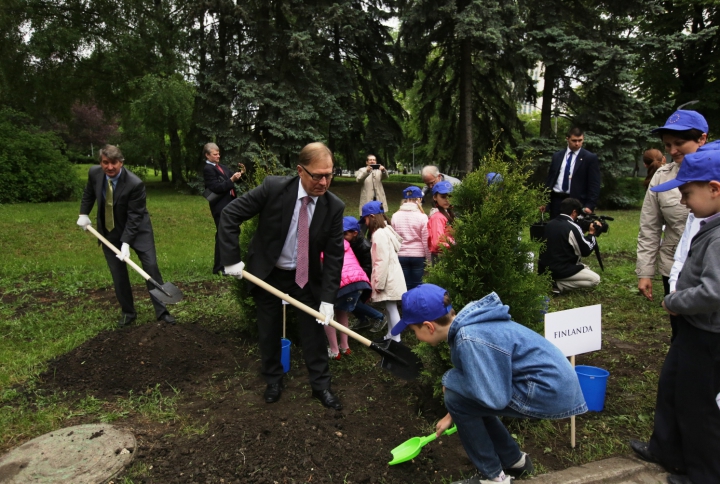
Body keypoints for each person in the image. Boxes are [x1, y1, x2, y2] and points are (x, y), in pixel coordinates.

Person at [391, 284, 587, 484]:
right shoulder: (470, 328)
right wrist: (451, 415)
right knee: (461, 398)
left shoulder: (469, 339)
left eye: (413, 330)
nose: (415, 337)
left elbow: (494, 398)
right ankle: (514, 461)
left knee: (455, 396)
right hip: (552, 384)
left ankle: (493, 477)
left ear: (429, 326)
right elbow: (479, 390)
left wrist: (449, 380)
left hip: (548, 389)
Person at [218, 142, 344, 410]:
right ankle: (273, 379)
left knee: (314, 331)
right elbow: (230, 214)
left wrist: (329, 299)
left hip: (305, 277)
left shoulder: (333, 206)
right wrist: (230, 259)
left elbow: (334, 255)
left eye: (329, 175)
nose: (324, 182)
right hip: (269, 274)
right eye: (317, 175)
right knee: (269, 329)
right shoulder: (274, 189)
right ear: (300, 171)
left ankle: (321, 386)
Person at [630, 150, 720, 484]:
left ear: (714, 188)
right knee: (674, 387)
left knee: (701, 408)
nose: (683, 203)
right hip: (693, 330)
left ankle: (704, 476)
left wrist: (676, 301)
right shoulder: (711, 223)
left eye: (687, 194)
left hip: (709, 335)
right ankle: (668, 450)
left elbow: (715, 291)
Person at [77, 145, 175, 327]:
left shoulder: (134, 183)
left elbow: (135, 216)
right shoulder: (94, 173)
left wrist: (126, 243)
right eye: (105, 163)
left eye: (114, 163)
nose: (110, 167)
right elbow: (89, 193)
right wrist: (84, 214)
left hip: (138, 231)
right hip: (109, 231)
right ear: (101, 163)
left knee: (150, 267)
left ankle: (162, 313)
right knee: (118, 274)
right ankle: (128, 313)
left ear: (121, 162)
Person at [636, 110, 708, 308]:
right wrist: (645, 272)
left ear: (702, 139)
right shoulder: (662, 177)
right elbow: (650, 227)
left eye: (679, 143)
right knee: (680, 330)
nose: (672, 151)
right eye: (668, 145)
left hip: (710, 271)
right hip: (674, 269)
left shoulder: (715, 173)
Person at [361, 201, 407, 342]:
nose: (365, 222)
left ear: (372, 217)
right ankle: (390, 335)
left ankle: (396, 339)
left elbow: (381, 261)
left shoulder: (379, 235)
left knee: (392, 308)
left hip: (387, 278)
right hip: (392, 275)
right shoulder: (386, 230)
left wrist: (379, 283)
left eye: (365, 219)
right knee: (389, 307)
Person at [323, 234, 372, 360]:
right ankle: (345, 347)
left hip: (338, 282)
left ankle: (334, 351)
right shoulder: (344, 243)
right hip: (356, 281)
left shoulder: (321, 245)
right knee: (342, 311)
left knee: (326, 315)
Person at [538, 197, 600, 294]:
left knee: (585, 268)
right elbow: (586, 250)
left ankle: (549, 281)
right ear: (574, 212)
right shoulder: (572, 226)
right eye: (578, 213)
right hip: (560, 269)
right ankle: (558, 285)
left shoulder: (550, 224)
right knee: (595, 279)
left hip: (544, 269)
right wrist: (592, 233)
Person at [541, 127, 601, 219]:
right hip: (556, 200)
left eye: (580, 140)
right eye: (574, 140)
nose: (577, 144)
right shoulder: (557, 156)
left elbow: (594, 184)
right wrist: (545, 201)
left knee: (573, 231)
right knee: (556, 230)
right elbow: (551, 179)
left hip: (575, 201)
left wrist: (590, 205)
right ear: (567, 139)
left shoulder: (589, 158)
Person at [202, 142, 243, 275]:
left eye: (219, 153)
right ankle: (219, 267)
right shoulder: (208, 169)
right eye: (215, 154)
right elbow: (216, 188)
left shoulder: (223, 168)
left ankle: (227, 265)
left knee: (227, 234)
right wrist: (231, 180)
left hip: (230, 204)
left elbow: (235, 179)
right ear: (207, 155)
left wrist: (241, 173)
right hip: (220, 206)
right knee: (222, 235)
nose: (218, 156)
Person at [343, 216, 387, 332]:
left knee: (353, 302)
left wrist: (359, 278)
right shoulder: (349, 243)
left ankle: (380, 317)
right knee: (350, 301)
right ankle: (363, 320)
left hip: (363, 279)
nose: (342, 237)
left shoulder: (364, 247)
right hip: (352, 278)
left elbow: (369, 266)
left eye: (345, 234)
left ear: (355, 233)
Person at [391, 186, 430, 290]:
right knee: (418, 285)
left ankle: (405, 304)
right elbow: (426, 240)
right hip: (418, 256)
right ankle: (417, 304)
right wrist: (429, 259)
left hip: (401, 254)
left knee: (404, 285)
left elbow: (394, 238)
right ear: (419, 199)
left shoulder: (395, 216)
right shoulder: (422, 217)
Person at [428, 180, 456, 264]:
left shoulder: (447, 213)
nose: (447, 200)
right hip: (441, 256)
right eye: (443, 197)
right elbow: (437, 242)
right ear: (435, 197)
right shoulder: (437, 217)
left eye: (450, 196)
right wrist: (454, 244)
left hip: (446, 254)